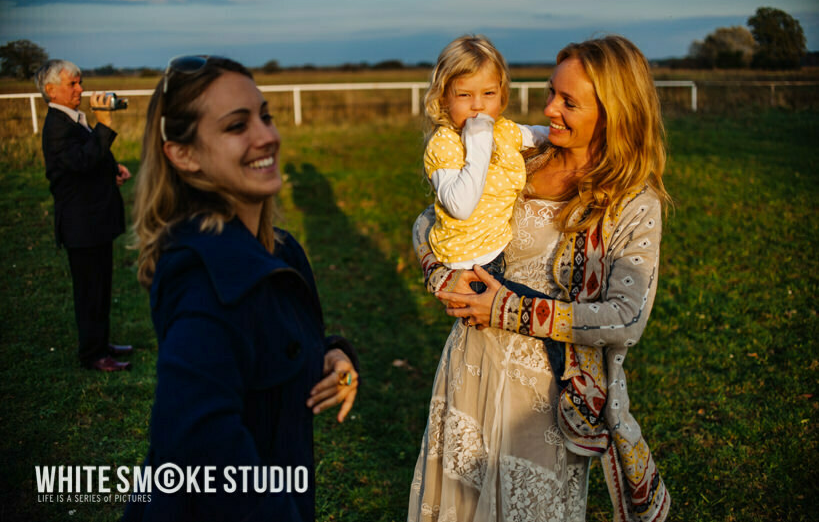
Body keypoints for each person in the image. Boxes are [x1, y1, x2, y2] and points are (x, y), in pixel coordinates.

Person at [409, 35, 671, 522]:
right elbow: (430, 221)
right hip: (470, 368)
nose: (549, 109)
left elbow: (626, 318)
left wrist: (507, 309)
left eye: (569, 102)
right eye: (552, 92)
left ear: (615, 112)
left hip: (549, 398)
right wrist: (440, 273)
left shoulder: (633, 202)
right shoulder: (521, 159)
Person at [124, 55, 360, 521]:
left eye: (265, 116)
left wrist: (332, 356)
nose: (267, 135)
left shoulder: (280, 250)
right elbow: (196, 447)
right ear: (184, 155)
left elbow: (267, 343)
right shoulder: (202, 276)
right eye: (237, 126)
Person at [422, 35, 549, 293]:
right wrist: (477, 144)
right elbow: (460, 206)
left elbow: (537, 134)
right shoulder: (445, 143)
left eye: (489, 93)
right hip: (470, 265)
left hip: (496, 252)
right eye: (465, 94)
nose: (478, 105)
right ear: (445, 97)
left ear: (501, 94)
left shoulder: (502, 129)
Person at [35, 59, 133, 372]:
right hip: (82, 224)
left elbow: (89, 159)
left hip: (94, 221)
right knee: (90, 292)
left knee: (101, 286)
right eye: (72, 84)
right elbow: (81, 162)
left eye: (80, 82)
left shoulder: (73, 120)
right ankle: (93, 354)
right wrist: (104, 123)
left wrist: (112, 170)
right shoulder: (57, 126)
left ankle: (101, 343)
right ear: (51, 91)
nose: (81, 89)